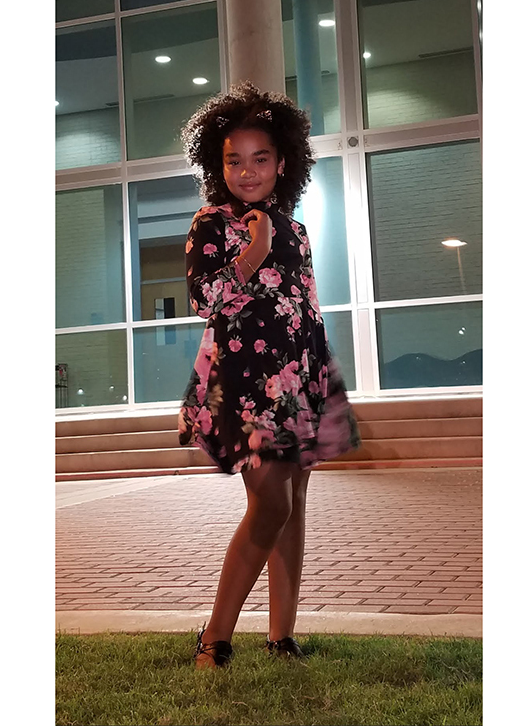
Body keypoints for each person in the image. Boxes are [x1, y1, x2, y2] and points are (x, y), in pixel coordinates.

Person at [178, 81, 360, 668]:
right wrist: (252, 248)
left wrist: (316, 381)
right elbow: (206, 299)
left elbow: (304, 308)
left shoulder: (297, 230)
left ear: (283, 163)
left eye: (260, 159)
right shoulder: (211, 223)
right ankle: (214, 639)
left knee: (295, 499)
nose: (248, 171)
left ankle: (282, 635)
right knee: (270, 504)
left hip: (297, 376)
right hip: (246, 382)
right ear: (218, 163)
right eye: (235, 160)